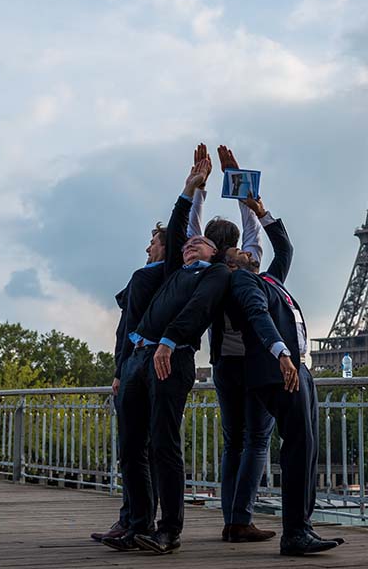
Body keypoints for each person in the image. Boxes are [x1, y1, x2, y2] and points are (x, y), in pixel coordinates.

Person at [102, 144, 239, 555]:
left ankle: (169, 530)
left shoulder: (216, 275)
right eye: (187, 243)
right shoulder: (176, 268)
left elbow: (198, 312)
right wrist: (189, 188)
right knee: (130, 447)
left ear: (216, 252)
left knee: (163, 444)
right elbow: (180, 227)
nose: (191, 243)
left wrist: (168, 340)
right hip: (139, 359)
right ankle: (137, 523)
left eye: (200, 242)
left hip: (171, 358)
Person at [227, 202, 343, 556]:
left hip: (297, 368)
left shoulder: (269, 279)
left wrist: (259, 210)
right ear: (231, 263)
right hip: (278, 371)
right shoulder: (242, 281)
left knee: (306, 447)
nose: (248, 249)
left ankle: (301, 527)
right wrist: (282, 354)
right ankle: (294, 531)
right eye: (239, 250)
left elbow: (285, 248)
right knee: (297, 447)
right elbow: (258, 316)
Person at [209, 146, 276, 544]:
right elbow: (252, 226)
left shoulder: (206, 272)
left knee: (233, 441)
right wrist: (238, 182)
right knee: (257, 440)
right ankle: (241, 518)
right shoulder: (248, 266)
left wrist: (198, 190)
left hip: (223, 365)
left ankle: (230, 517)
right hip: (252, 364)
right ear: (233, 246)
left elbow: (191, 229)